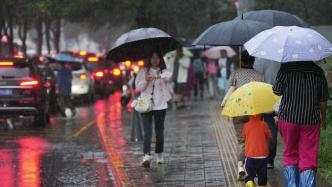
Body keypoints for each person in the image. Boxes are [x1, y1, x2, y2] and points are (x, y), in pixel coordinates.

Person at [273, 61, 329, 187]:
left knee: (290, 153)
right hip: (311, 120)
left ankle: (291, 184)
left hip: (288, 118)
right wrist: (323, 118)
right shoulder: (318, 71)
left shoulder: (286, 68)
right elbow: (323, 99)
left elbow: (277, 91)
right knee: (308, 157)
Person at [227, 50, 264, 180]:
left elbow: (229, 92)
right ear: (253, 61)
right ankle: (252, 167)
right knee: (253, 140)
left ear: (241, 60)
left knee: (241, 141)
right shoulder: (259, 75)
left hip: (238, 111)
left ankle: (240, 167)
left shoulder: (235, 73)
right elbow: (262, 95)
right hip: (254, 112)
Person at [135, 50, 172, 168]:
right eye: (152, 57)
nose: (155, 60)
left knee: (159, 132)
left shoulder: (163, 71)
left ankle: (159, 154)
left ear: (160, 59)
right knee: (147, 132)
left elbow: (168, 76)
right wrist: (146, 79)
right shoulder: (143, 71)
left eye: (157, 57)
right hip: (146, 105)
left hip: (161, 106)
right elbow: (138, 87)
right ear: (149, 59)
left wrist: (158, 76)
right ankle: (146, 155)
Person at [254, 58, 281, 169]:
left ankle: (258, 157)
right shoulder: (279, 58)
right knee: (271, 129)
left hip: (257, 98)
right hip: (273, 98)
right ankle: (269, 159)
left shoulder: (256, 58)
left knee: (257, 129)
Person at [243, 114, 272, 187]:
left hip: (250, 154)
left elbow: (244, 136)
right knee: (262, 174)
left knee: (249, 172)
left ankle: (250, 182)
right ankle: (262, 184)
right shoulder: (264, 124)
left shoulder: (246, 125)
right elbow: (269, 136)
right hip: (263, 155)